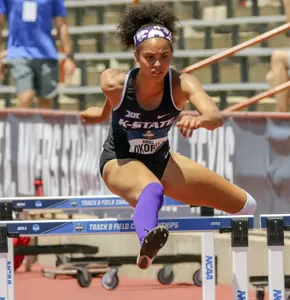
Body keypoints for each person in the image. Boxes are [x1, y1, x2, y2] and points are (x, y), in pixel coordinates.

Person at [80, 2, 257, 270]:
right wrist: (101, 115)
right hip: (119, 161)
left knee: (246, 205)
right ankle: (147, 245)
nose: (158, 64)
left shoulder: (182, 84)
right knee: (152, 190)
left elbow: (216, 117)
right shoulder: (114, 82)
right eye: (149, 57)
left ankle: (146, 218)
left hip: (162, 160)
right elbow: (112, 102)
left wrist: (198, 119)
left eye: (165, 56)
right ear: (136, 55)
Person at [0, 0, 76, 109]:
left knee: (45, 102)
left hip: (46, 54)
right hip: (19, 52)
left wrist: (69, 57)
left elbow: (62, 24)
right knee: (26, 97)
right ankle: (22, 125)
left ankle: (42, 126)